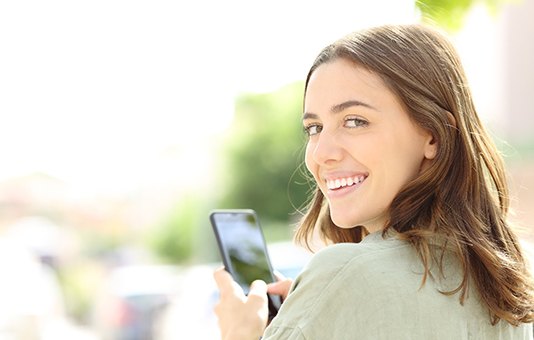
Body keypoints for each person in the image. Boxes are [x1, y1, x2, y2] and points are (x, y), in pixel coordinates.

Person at [213, 24, 534, 339]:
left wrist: (240, 335)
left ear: (434, 135)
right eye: (314, 128)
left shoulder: (344, 275)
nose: (322, 152)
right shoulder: (516, 281)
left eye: (355, 121)